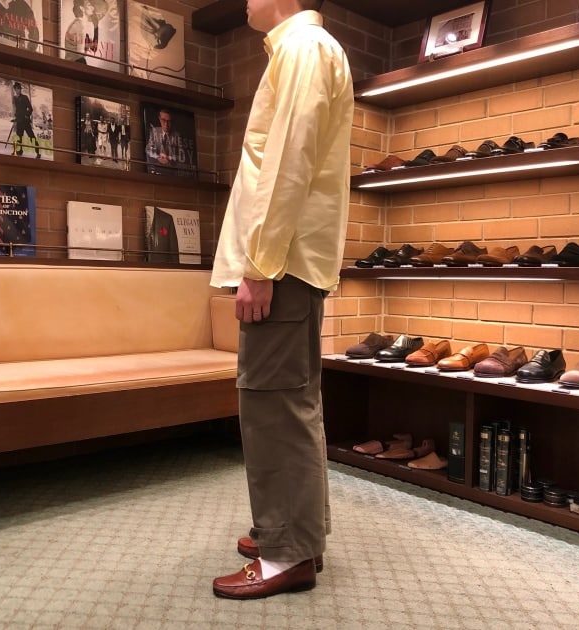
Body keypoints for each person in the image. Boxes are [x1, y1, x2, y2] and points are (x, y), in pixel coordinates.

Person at [210, 0, 353, 600]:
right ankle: (298, 536)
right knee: (292, 404)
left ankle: (286, 554)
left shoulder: (302, 48)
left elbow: (288, 162)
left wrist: (261, 265)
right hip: (289, 263)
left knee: (272, 407)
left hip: (282, 264)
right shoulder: (305, 49)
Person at [145, 107, 196, 176]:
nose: (166, 124)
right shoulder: (154, 131)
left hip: (171, 172)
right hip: (155, 170)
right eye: (163, 120)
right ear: (159, 119)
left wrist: (169, 158)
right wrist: (158, 156)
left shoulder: (177, 136)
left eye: (169, 121)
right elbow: (148, 149)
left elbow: (182, 157)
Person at [11, 81, 41, 158]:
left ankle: (38, 152)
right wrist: (15, 118)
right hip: (19, 121)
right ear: (15, 89)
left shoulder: (25, 97)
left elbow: (30, 109)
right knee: (19, 137)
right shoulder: (15, 98)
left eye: (19, 89)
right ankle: (19, 151)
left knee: (31, 137)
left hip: (25, 121)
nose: (18, 90)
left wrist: (26, 115)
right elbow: (17, 109)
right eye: (17, 89)